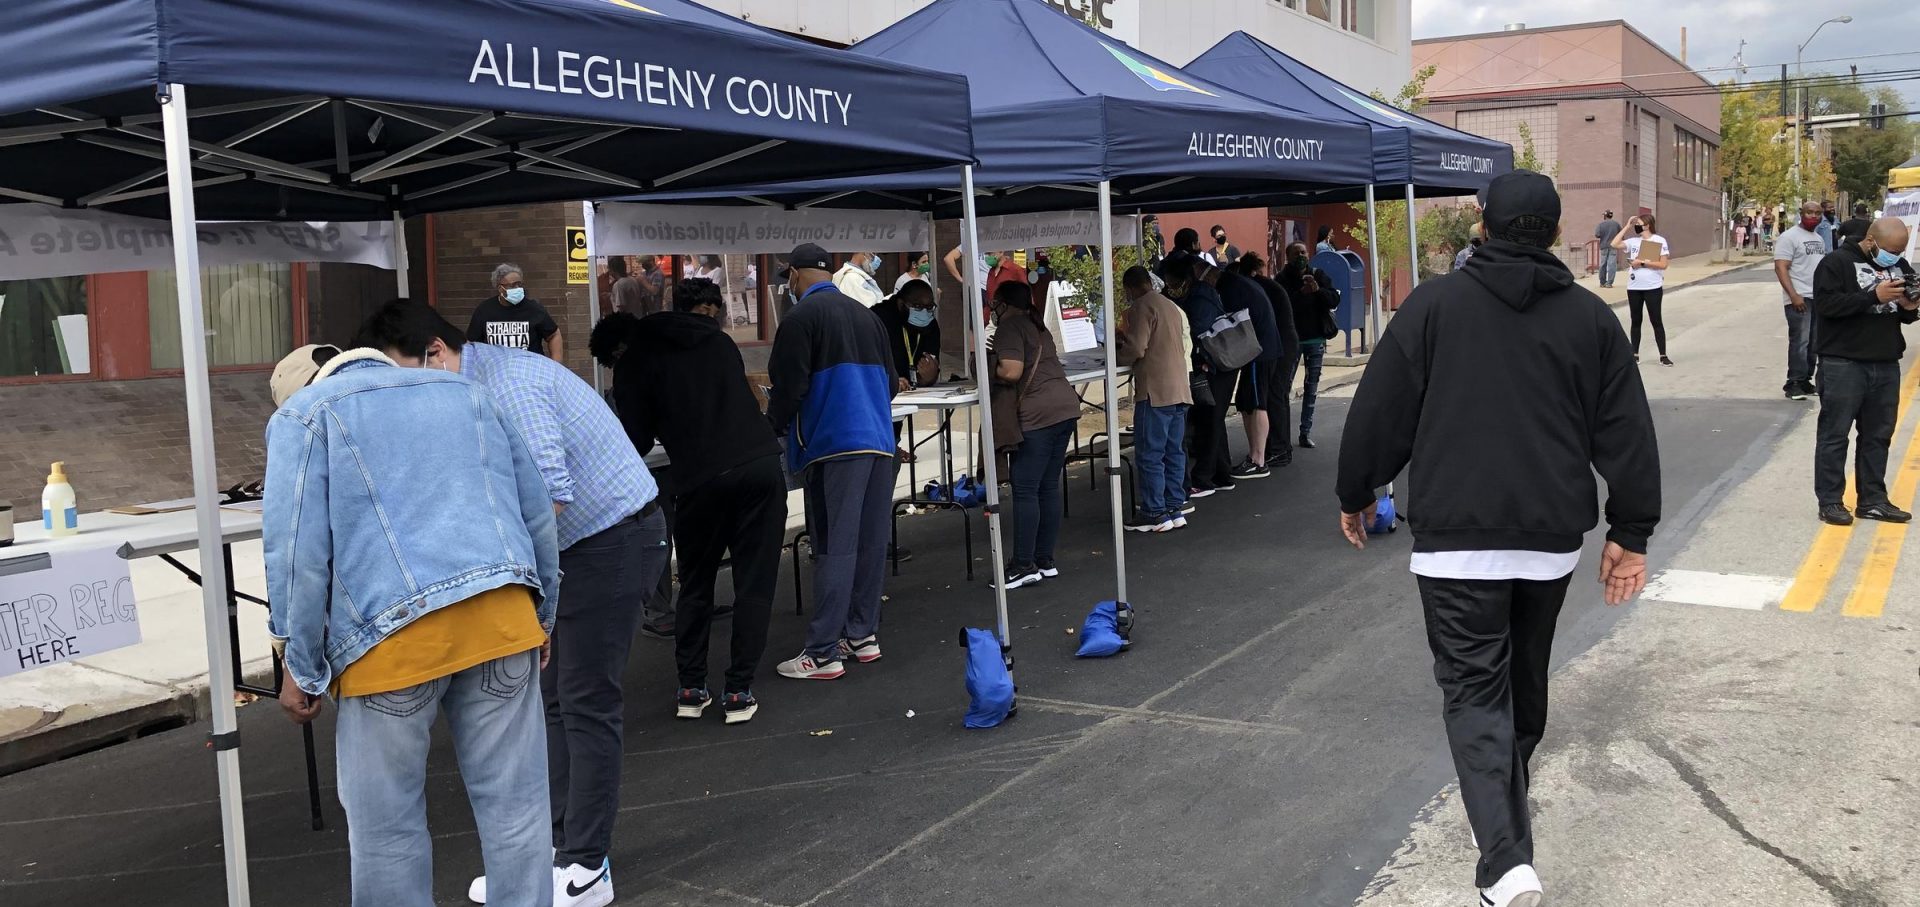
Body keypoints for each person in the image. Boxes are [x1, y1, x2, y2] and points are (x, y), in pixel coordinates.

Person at [1336, 170, 1661, 907]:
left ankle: (1505, 863)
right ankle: (1508, 836)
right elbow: (1626, 430)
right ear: (1552, 233)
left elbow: (1379, 408)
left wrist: (1356, 491)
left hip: (1456, 540)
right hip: (1549, 539)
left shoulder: (1433, 307)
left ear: (1481, 224)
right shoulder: (1589, 319)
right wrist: (1630, 529)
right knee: (1521, 689)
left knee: (1477, 693)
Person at [351, 302, 666, 907]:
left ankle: (587, 864)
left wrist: (524, 596)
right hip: (578, 546)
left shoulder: (509, 386)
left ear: (435, 353)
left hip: (612, 540)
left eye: (403, 376)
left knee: (586, 702)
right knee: (549, 705)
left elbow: (546, 500)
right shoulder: (471, 382)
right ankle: (544, 853)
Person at [264, 343, 561, 907]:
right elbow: (535, 509)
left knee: (388, 832)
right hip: (502, 616)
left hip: (387, 642)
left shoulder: (304, 416)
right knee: (518, 812)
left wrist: (299, 664)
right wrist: (543, 614)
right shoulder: (467, 393)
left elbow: (297, 552)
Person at [599, 280, 788, 723]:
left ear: (618, 349)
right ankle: (739, 690)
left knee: (698, 583)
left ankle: (691, 687)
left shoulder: (633, 364)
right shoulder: (717, 340)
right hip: (759, 463)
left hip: (700, 478)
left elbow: (637, 439)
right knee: (754, 582)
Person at [765, 243, 897, 680]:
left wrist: (771, 425)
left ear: (797, 276)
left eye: (789, 277)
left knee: (835, 546)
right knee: (871, 542)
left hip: (834, 446)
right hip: (879, 443)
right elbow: (893, 384)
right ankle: (862, 635)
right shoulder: (868, 317)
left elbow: (789, 389)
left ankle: (822, 651)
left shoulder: (800, 319)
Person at [1811, 218, 1920, 526]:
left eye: (1900, 252)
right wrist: (1873, 296)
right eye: (1890, 250)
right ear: (1871, 241)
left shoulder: (1898, 265)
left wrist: (1910, 307)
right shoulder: (1836, 263)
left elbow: (1903, 312)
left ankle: (1873, 500)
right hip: (1843, 362)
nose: (1895, 257)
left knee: (1878, 436)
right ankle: (1831, 501)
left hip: (1885, 361)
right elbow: (1827, 305)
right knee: (1835, 435)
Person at [991, 281, 1084, 579]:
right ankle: (1045, 559)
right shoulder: (1037, 325)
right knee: (1047, 486)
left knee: (1026, 487)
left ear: (1004, 304)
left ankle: (1022, 565)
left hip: (1038, 415)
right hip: (1064, 408)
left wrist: (985, 364)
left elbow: (1012, 370)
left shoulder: (1009, 327)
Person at [1116, 266, 1193, 535]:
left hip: (1155, 391)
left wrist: (1117, 357)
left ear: (1130, 288)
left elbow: (1137, 348)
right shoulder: (1170, 306)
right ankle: (1174, 507)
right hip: (1180, 389)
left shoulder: (1141, 307)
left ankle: (1154, 512)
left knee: (1150, 453)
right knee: (1174, 452)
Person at [1208, 257, 1289, 479]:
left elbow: (1228, 319)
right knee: (1247, 402)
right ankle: (1256, 457)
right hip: (1263, 348)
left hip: (1258, 352)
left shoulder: (1230, 288)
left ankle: (1257, 459)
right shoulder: (1242, 284)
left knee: (1256, 403)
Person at [1163, 254, 1236, 497]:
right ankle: (1222, 474)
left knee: (1209, 421)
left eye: (1170, 279)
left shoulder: (1199, 297)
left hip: (1214, 364)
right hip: (1217, 364)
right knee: (1213, 420)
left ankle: (1204, 479)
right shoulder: (1198, 293)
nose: (1168, 285)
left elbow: (1198, 332)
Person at [1230, 253, 1301, 470]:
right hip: (1284, 341)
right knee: (1274, 395)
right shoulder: (1267, 285)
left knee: (1273, 396)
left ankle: (1278, 449)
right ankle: (1277, 447)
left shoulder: (1254, 287)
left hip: (1277, 344)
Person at [1278, 242, 1340, 449]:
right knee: (1284, 387)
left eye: (1303, 252)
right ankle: (1282, 433)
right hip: (1292, 340)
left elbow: (1334, 300)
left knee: (1311, 388)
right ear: (1288, 257)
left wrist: (1317, 290)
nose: (1301, 256)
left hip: (1315, 339)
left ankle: (1305, 432)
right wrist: (1301, 294)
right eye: (1296, 254)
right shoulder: (1282, 279)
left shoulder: (1318, 275)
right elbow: (1281, 306)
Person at [1775, 201, 1829, 401]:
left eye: (1817, 213)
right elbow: (1781, 267)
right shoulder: (1789, 237)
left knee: (1814, 343)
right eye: (1809, 212)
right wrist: (1794, 295)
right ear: (1801, 213)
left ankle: (1806, 380)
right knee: (1800, 341)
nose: (1813, 216)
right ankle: (1794, 383)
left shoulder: (1818, 238)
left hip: (1817, 297)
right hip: (1799, 297)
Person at [1611, 213, 1672, 365]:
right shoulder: (1633, 242)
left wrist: (1642, 263)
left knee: (1656, 320)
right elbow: (1614, 244)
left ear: (1647, 225)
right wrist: (1627, 226)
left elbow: (1664, 264)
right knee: (1635, 320)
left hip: (1652, 287)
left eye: (1639, 224)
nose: (1637, 226)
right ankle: (1635, 354)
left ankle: (1663, 355)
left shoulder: (1658, 241)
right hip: (1634, 287)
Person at [469, 262, 563, 360]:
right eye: (512, 285)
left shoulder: (533, 309)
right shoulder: (485, 310)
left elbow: (554, 335)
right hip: (497, 370)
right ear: (500, 288)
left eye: (519, 284)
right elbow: (472, 343)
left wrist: (556, 365)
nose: (517, 288)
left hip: (529, 369)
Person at [1593, 210, 1622, 287]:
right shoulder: (1616, 224)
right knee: (1612, 265)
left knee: (1603, 264)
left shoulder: (1601, 224)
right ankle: (1609, 283)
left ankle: (1602, 283)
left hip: (1604, 246)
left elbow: (1597, 235)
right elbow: (1621, 234)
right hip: (1613, 246)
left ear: (1605, 216)